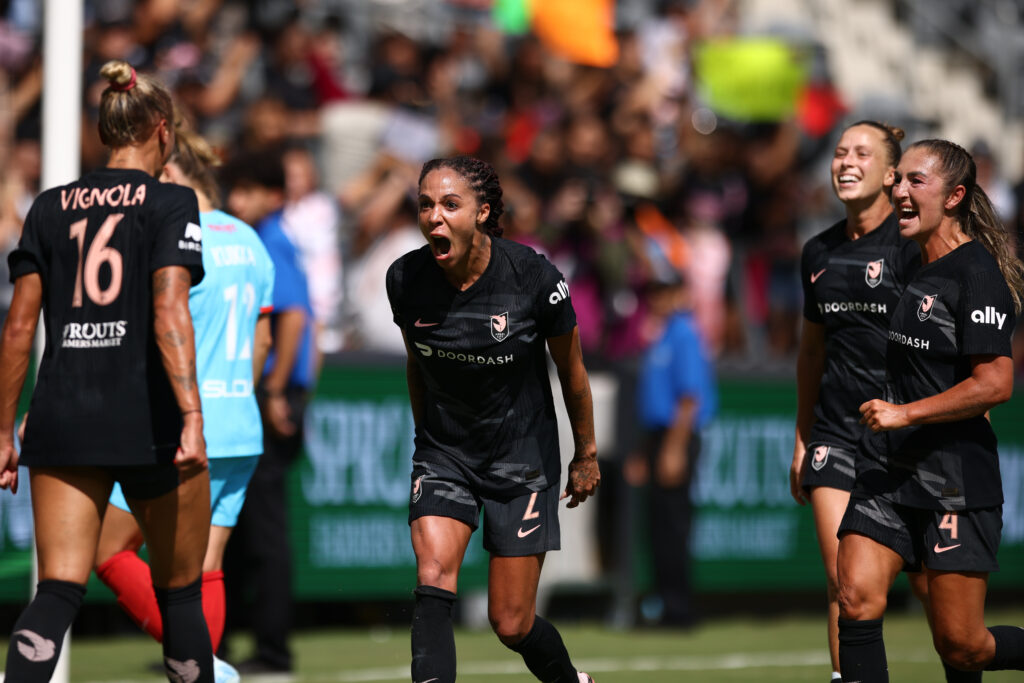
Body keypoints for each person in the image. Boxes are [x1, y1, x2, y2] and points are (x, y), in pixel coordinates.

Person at [0, 61, 213, 682]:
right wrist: (194, 415)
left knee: (57, 590)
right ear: (163, 132)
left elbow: (18, 329)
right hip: (146, 413)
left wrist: (3, 431)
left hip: (63, 414)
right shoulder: (173, 202)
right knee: (179, 594)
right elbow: (170, 308)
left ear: (104, 130)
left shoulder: (47, 206)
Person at [385, 156, 600, 683]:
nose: (434, 216)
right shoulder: (406, 278)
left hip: (521, 457)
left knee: (510, 622)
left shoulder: (533, 278)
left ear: (483, 212)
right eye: (426, 205)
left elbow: (572, 372)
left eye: (450, 205)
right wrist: (425, 444)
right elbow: (418, 365)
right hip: (446, 453)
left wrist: (586, 454)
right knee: (433, 575)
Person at [92, 123, 275, 683]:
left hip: (186, 424)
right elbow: (262, 340)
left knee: (103, 546)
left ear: (168, 173)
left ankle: (206, 668)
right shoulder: (250, 239)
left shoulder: (177, 233)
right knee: (205, 566)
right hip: (241, 422)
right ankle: (205, 672)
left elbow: (160, 328)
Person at [839, 139, 1024, 682]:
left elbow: (995, 384)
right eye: (898, 180)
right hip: (886, 471)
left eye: (915, 181)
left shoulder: (977, 274)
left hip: (953, 481)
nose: (899, 190)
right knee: (854, 598)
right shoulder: (908, 259)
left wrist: (907, 413)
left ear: (954, 196)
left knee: (962, 647)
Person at [788, 121, 955, 682]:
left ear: (891, 175)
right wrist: (801, 440)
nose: (845, 161)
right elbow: (811, 355)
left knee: (938, 596)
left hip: (908, 438)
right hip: (835, 436)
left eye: (861, 152)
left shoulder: (914, 247)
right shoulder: (818, 251)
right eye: (839, 152)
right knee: (844, 580)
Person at [221, 145, 316, 677]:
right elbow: (311, 328)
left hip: (267, 395)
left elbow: (296, 318)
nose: (236, 201)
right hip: (278, 392)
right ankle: (225, 644)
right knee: (242, 526)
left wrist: (277, 390)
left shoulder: (268, 240)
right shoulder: (279, 240)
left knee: (260, 529)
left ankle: (272, 650)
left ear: (272, 196)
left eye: (246, 191)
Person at [625, 254, 717, 629]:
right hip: (657, 437)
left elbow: (689, 398)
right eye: (654, 292)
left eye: (664, 291)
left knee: (674, 526)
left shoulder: (683, 332)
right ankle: (664, 604)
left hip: (676, 436)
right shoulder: (662, 333)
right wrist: (645, 452)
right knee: (658, 528)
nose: (657, 298)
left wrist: (674, 449)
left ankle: (679, 609)